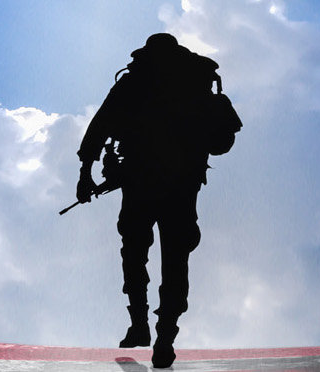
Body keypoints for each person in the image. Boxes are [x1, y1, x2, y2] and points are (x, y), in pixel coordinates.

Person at [75, 33, 229, 369]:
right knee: (173, 261)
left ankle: (142, 325)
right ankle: (163, 337)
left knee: (135, 252)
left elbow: (99, 126)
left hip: (142, 181)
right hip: (180, 184)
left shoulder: (136, 81)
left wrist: (85, 172)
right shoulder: (196, 80)